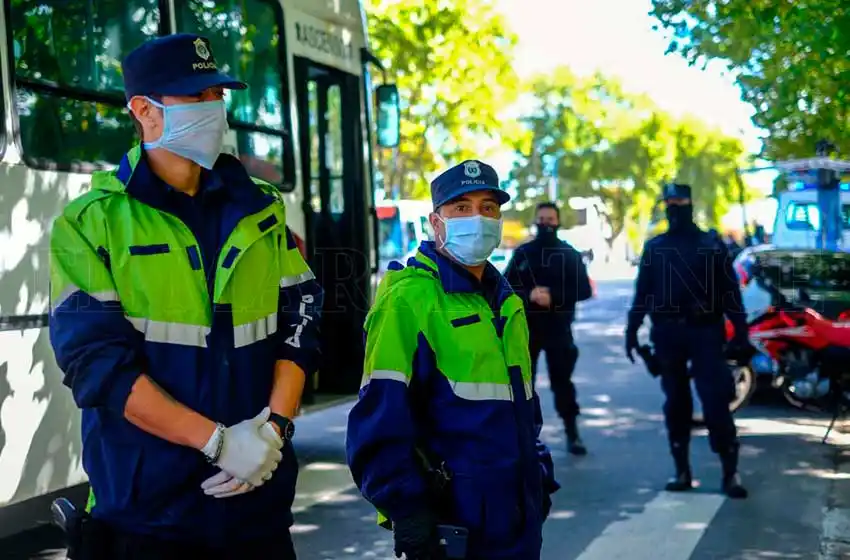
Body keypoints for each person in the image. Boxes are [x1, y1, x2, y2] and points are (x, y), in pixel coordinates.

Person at [48, 33, 323, 558]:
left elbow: (301, 318)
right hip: (149, 514)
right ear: (143, 110)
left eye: (217, 95)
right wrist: (218, 443)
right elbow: (95, 363)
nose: (213, 107)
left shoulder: (261, 207)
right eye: (195, 96)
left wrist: (273, 431)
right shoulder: (89, 224)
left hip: (257, 504)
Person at [346, 160, 560, 560]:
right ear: (436, 222)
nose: (477, 218)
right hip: (456, 520)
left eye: (488, 207)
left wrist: (539, 472)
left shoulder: (506, 301)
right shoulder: (408, 300)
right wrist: (407, 511)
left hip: (518, 513)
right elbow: (379, 418)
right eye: (461, 207)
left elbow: (522, 407)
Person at [625, 183, 748, 499]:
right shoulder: (655, 247)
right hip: (668, 334)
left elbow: (730, 293)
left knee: (716, 403)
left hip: (705, 332)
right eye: (669, 202)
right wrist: (631, 331)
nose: (674, 206)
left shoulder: (711, 244)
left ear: (691, 203)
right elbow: (642, 293)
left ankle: (730, 472)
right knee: (676, 405)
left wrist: (741, 334)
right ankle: (681, 471)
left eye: (680, 201)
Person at [504, 202, 593, 455]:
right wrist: (528, 295)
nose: (545, 224)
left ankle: (572, 433)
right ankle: (524, 437)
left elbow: (584, 290)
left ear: (558, 221)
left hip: (559, 329)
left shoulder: (569, 254)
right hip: (526, 330)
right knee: (523, 385)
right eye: (541, 219)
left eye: (550, 219)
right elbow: (505, 287)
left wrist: (554, 296)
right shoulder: (523, 253)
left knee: (562, 383)